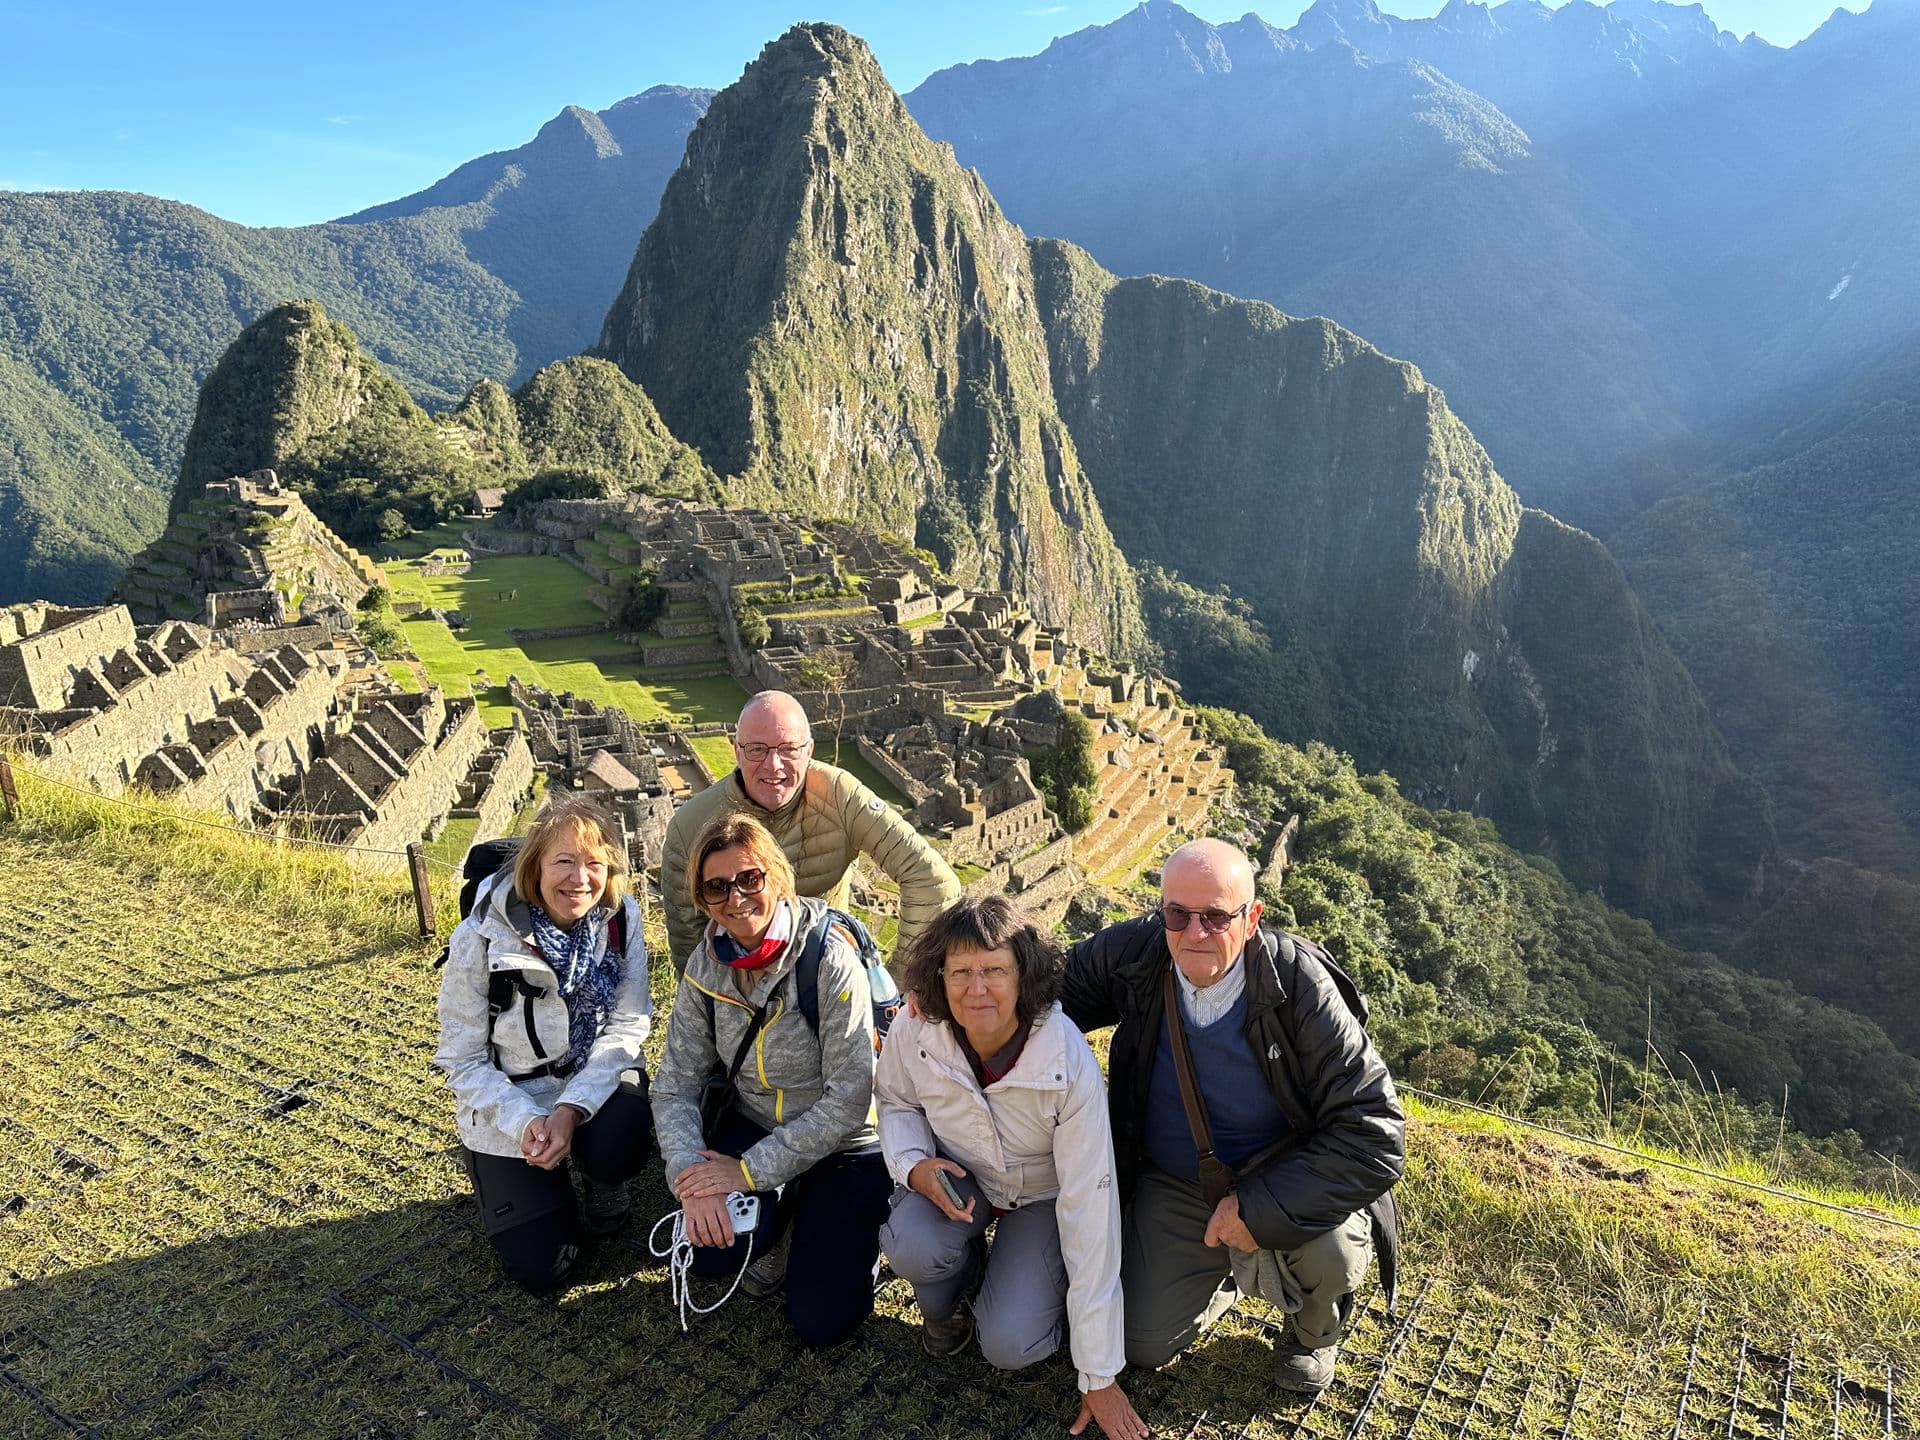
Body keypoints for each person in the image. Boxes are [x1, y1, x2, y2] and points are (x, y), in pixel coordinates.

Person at [1060, 839, 1404, 1394]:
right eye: (1177, 914)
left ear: (1252, 918)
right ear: (1161, 912)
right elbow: (1043, 988)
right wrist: (941, 1004)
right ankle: (1221, 1275)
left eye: (1217, 916)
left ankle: (1313, 1330)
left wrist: (1259, 1209)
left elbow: (1374, 1133)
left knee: (1331, 1254)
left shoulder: (1297, 986)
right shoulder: (1139, 956)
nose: (1194, 933)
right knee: (1140, 1343)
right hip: (1175, 1182)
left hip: (1285, 1174)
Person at [878, 897, 1148, 1440]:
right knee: (912, 1243)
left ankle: (1022, 1283)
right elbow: (896, 1100)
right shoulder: (916, 1030)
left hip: (1042, 1197)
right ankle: (950, 1302)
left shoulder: (1066, 1060)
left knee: (1009, 1345)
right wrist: (913, 1167)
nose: (977, 989)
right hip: (961, 1176)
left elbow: (1089, 1205)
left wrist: (1098, 1372)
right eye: (961, 972)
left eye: (995, 970)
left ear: (1024, 974)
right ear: (939, 976)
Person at [650, 812, 894, 1347]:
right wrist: (690, 1179)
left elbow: (851, 1100)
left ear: (775, 876)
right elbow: (674, 1084)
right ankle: (783, 1215)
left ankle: (855, 1230)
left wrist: (746, 1173)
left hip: (846, 1143)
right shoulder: (706, 966)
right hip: (756, 1121)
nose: (736, 898)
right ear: (703, 899)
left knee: (822, 1321)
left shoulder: (827, 960)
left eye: (749, 879)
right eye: (717, 887)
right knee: (713, 1258)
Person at [434, 794, 655, 1295]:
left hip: (592, 1078)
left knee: (617, 1145)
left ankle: (601, 1176)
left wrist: (571, 1109)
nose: (581, 879)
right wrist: (525, 1121)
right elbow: (463, 1059)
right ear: (534, 865)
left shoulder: (620, 919)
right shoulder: (482, 937)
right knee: (544, 1269)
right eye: (564, 861)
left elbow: (627, 1024)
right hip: (512, 1096)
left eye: (595, 863)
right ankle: (508, 1168)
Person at [659, 688, 961, 970]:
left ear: (809, 751)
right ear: (737, 752)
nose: (773, 765)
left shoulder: (840, 796)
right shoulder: (691, 826)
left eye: (789, 749)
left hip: (830, 977)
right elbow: (689, 946)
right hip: (741, 986)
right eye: (756, 749)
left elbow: (932, 880)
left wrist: (902, 982)